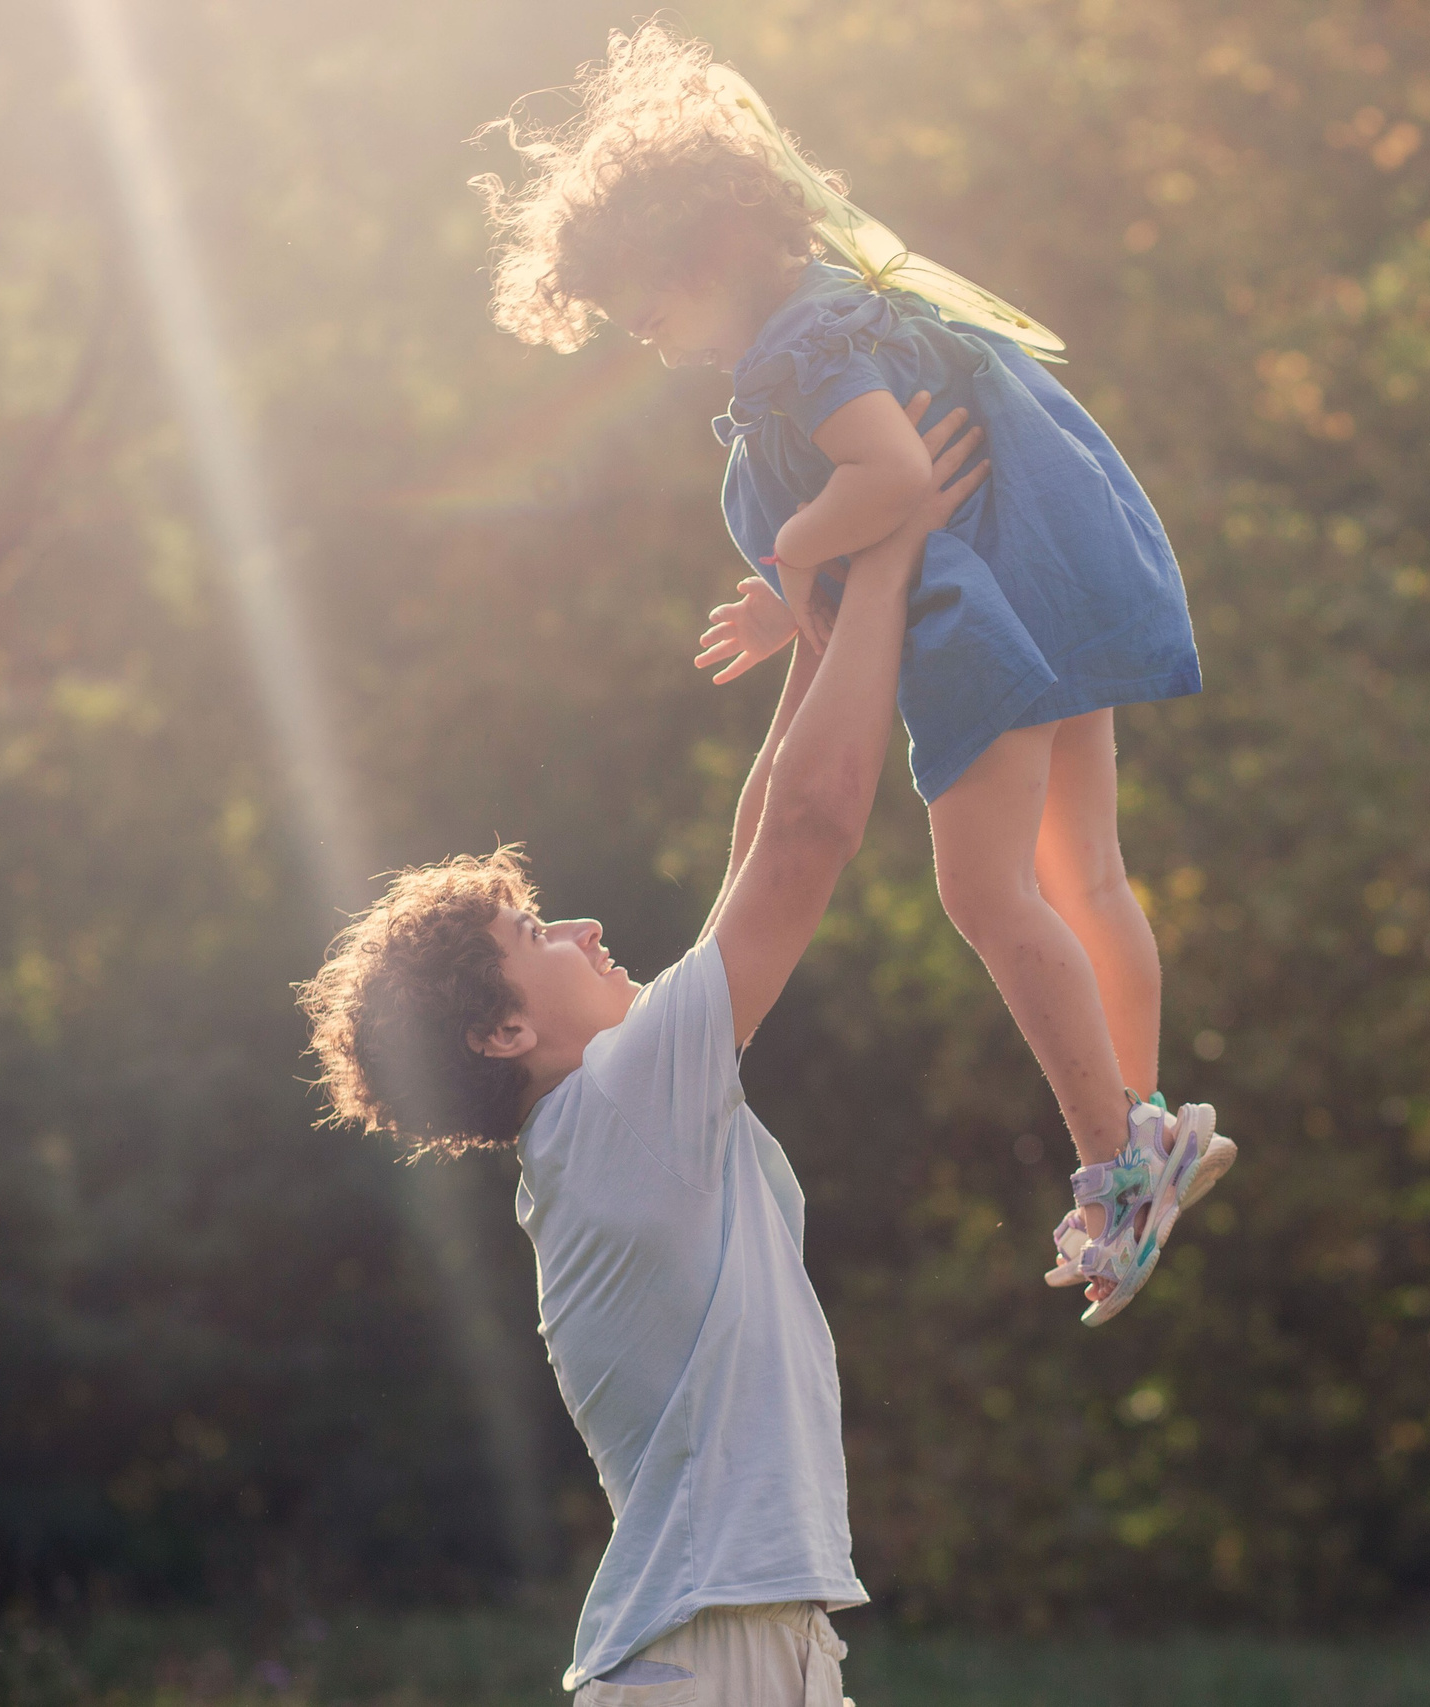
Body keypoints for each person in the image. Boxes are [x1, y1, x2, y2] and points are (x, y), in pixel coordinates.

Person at [471, 23, 1234, 1323]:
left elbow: (898, 479)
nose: (649, 342)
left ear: (707, 253)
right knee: (1084, 876)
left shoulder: (799, 351)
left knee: (989, 893)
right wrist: (789, 597)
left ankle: (1116, 1154)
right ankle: (1141, 1129)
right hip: (1045, 588)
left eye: (648, 310)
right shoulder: (833, 313)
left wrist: (786, 554)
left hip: (981, 622)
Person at [297, 401, 983, 1703]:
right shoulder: (619, 1109)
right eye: (535, 929)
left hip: (747, 1643)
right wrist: (885, 558)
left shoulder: (604, 1117)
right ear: (506, 1031)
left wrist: (823, 621)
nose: (585, 923)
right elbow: (809, 832)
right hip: (701, 1655)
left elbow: (756, 846)